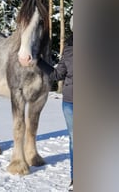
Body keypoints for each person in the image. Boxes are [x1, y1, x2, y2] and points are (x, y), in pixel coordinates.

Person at [51, 16, 73, 191]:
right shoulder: (68, 50)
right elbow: (57, 75)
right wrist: (38, 62)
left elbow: (57, 75)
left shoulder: (68, 50)